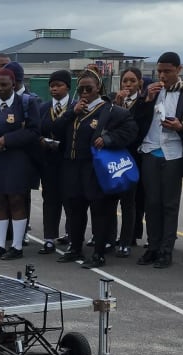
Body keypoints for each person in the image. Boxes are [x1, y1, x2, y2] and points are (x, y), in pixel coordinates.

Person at [53, 68, 137, 268]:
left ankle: (99, 252)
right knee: (75, 209)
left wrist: (108, 139)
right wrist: (71, 114)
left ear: (98, 88)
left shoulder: (110, 110)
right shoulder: (73, 109)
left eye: (88, 88)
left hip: (94, 168)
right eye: (81, 89)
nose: (84, 93)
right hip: (72, 166)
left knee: (99, 210)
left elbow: (130, 129)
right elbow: (54, 129)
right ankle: (75, 247)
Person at [136, 52, 183, 269]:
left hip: (174, 153)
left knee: (169, 204)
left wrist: (181, 127)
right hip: (150, 150)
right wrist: (145, 100)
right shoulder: (151, 92)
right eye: (159, 71)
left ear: (178, 70)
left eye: (167, 71)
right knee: (152, 202)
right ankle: (153, 246)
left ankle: (166, 250)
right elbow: (135, 120)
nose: (163, 75)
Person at [0, 68, 41, 260]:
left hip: (17, 158)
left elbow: (33, 131)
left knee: (15, 200)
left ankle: (16, 246)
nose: (0, 88)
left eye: (4, 84)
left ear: (13, 84)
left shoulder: (26, 103)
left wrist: (7, 139)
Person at [112, 67, 148, 257]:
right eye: (125, 81)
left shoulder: (143, 104)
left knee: (129, 201)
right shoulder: (112, 101)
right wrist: (116, 106)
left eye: (132, 81)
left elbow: (137, 129)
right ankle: (110, 237)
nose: (128, 85)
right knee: (111, 200)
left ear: (140, 83)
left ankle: (126, 239)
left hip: (134, 156)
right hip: (115, 157)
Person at [38, 70, 73, 254]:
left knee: (70, 199)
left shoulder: (75, 107)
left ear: (67, 87)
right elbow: (36, 130)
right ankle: (49, 237)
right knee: (50, 200)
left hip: (68, 161)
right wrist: (41, 140)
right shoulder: (43, 108)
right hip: (48, 161)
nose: (54, 89)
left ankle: (71, 235)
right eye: (52, 85)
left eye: (59, 85)